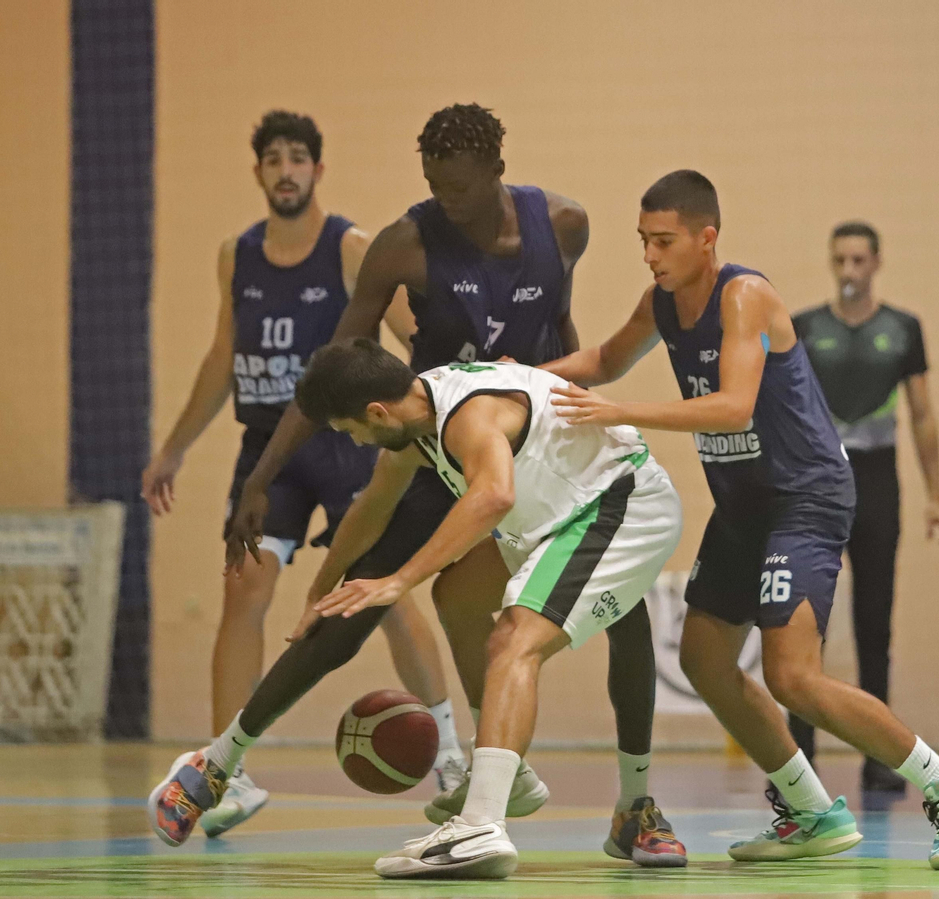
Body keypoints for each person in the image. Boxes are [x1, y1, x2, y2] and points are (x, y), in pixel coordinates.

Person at [150, 106, 677, 863]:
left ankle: (632, 803)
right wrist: (300, 536)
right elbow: (339, 382)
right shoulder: (404, 247)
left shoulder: (562, 223)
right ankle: (218, 764)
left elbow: (563, 336)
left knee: (588, 621)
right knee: (361, 600)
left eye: (459, 189)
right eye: (434, 186)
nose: (446, 204)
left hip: (541, 451)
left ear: (497, 171)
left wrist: (398, 577)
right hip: (448, 436)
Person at [544, 170, 939, 870]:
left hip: (805, 497)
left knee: (794, 676)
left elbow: (731, 405)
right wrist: (520, 374)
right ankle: (810, 807)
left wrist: (622, 412)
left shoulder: (745, 297)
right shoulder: (662, 304)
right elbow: (605, 358)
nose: (650, 254)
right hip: (744, 504)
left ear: (706, 237)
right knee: (702, 655)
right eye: (643, 241)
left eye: (663, 241)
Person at [137, 110, 462, 838]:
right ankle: (229, 773)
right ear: (258, 173)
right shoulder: (236, 256)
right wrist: (175, 447)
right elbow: (224, 356)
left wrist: (444, 417)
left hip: (347, 444)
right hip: (268, 453)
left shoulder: (350, 247)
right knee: (242, 588)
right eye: (273, 159)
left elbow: (417, 335)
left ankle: (451, 754)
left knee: (383, 593)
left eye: (298, 158)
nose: (285, 170)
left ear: (318, 169)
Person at [299, 340, 685, 879]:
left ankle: (481, 822)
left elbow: (493, 497)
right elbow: (372, 508)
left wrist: (400, 579)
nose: (359, 442)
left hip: (615, 507)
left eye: (352, 431)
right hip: (553, 519)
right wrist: (319, 589)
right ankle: (509, 772)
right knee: (456, 598)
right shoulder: (422, 406)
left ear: (376, 413)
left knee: (513, 641)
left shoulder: (466, 416)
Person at [789, 220, 939, 793]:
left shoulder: (902, 329)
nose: (850, 272)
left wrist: (937, 499)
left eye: (859, 261)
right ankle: (801, 758)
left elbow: (923, 415)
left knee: (874, 619)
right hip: (818, 480)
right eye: (840, 261)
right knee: (806, 621)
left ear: (877, 263)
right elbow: (779, 407)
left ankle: (880, 757)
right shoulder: (804, 328)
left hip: (878, 478)